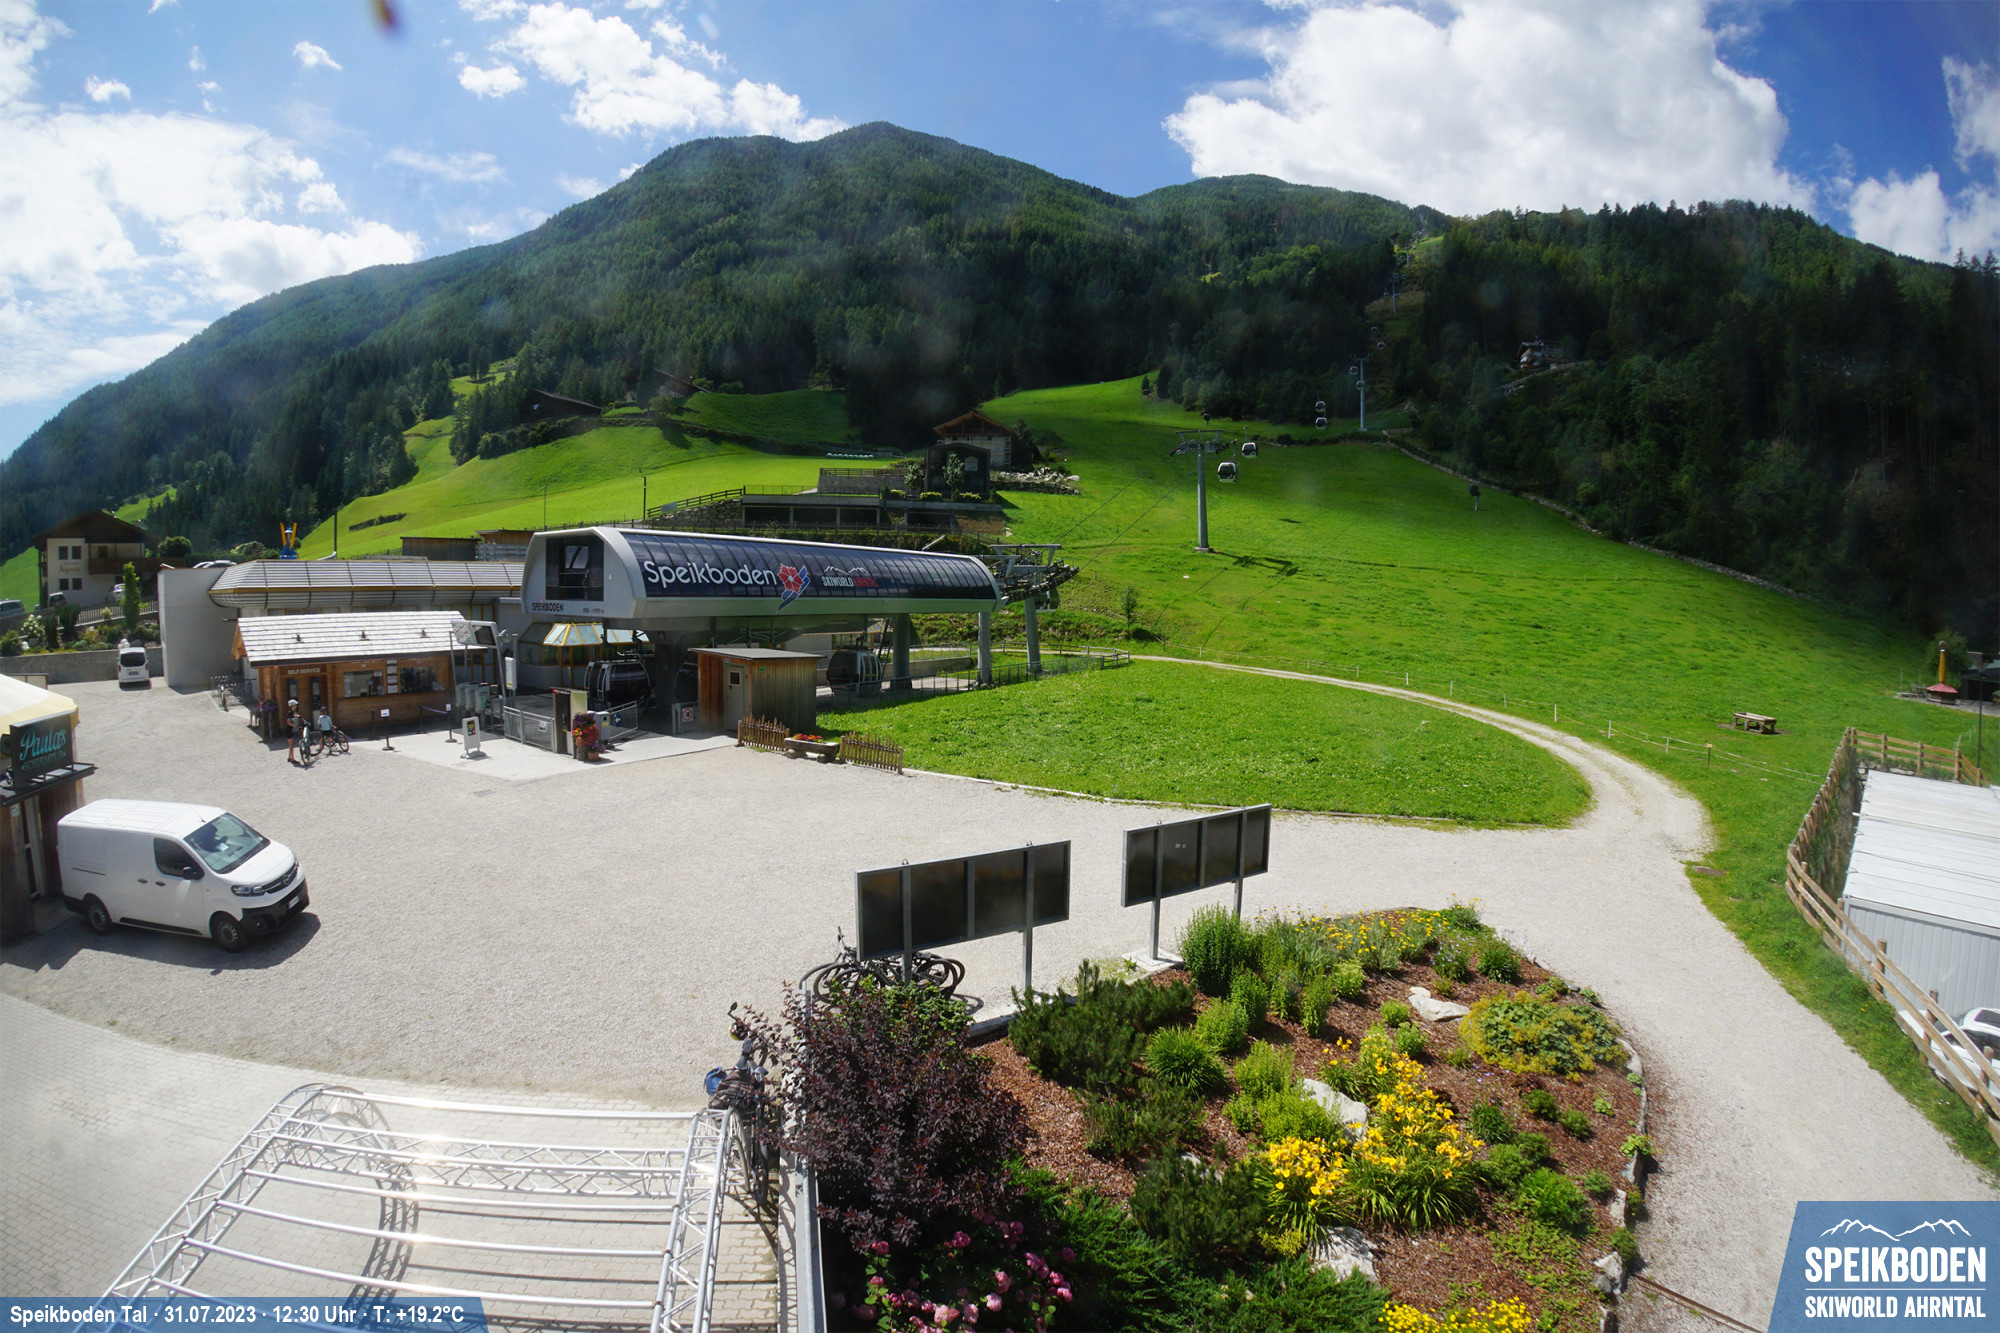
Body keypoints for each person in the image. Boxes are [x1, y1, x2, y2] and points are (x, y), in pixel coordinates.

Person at [285, 698, 302, 764]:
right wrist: (296, 726)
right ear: (292, 706)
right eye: (295, 705)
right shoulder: (289, 712)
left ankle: (290, 757)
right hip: (288, 730)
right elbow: (288, 722)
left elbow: (292, 716)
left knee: (291, 744)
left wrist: (297, 716)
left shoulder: (291, 712)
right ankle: (292, 758)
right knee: (291, 744)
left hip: (289, 730)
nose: (295, 706)